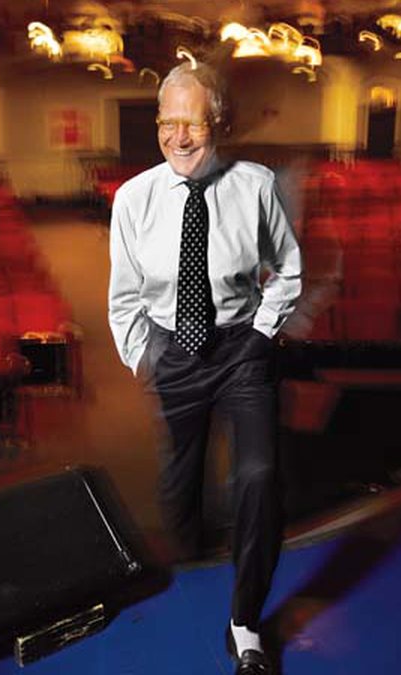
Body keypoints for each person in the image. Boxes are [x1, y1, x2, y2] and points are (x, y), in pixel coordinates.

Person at [106, 62, 302, 674]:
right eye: (168, 123)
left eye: (191, 122)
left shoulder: (257, 185)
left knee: (259, 476)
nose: (179, 137)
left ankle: (245, 623)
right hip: (175, 354)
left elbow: (288, 269)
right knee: (179, 482)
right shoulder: (134, 198)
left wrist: (263, 336)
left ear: (217, 121)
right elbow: (123, 297)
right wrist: (147, 358)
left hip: (242, 351)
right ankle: (189, 549)